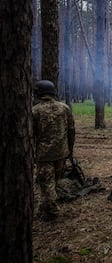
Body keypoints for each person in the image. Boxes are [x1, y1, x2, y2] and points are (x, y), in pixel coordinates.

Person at [32, 80, 75, 221]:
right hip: (62, 152)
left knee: (46, 182)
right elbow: (71, 131)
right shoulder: (64, 108)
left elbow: (31, 134)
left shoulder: (35, 110)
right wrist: (70, 150)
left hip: (44, 154)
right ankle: (43, 209)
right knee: (53, 182)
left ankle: (52, 212)